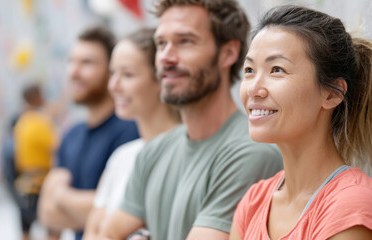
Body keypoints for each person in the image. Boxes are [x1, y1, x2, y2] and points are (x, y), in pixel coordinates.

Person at [101, 0, 283, 239]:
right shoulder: (154, 151)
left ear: (229, 52)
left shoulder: (251, 153)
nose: (166, 57)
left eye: (185, 41)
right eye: (161, 43)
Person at [229, 5, 372, 240]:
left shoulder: (352, 205)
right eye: (249, 70)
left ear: (332, 94)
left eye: (277, 69)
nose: (254, 89)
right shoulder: (254, 201)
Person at [38, 26, 139, 240]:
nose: (74, 72)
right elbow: (46, 213)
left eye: (87, 63)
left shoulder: (132, 131)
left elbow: (125, 212)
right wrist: (91, 207)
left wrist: (61, 195)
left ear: (111, 71)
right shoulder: (70, 135)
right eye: (71, 62)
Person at [82, 27, 181, 240]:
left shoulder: (184, 153)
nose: (113, 85)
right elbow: (93, 232)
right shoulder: (122, 157)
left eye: (127, 74)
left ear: (161, 79)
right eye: (112, 73)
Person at [13, 84, 57, 240]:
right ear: (36, 97)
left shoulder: (21, 121)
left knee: (26, 231)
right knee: (53, 230)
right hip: (41, 183)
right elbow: (56, 146)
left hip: (23, 183)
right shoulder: (40, 121)